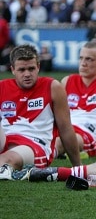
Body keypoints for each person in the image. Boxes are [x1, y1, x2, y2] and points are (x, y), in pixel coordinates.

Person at [0, 44, 80, 179]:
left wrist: (78, 168)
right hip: (5, 139)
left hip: (34, 145)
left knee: (8, 159)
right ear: (13, 69)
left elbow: (66, 129)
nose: (27, 74)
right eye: (21, 70)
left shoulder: (53, 87)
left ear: (38, 66)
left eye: (31, 69)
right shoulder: (2, 86)